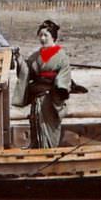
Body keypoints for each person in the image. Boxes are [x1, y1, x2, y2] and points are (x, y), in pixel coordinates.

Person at [14, 19, 72, 148]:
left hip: (52, 100)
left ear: (53, 37)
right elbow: (26, 71)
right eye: (40, 35)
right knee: (36, 127)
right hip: (37, 98)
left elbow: (64, 77)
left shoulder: (61, 56)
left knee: (50, 131)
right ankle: (38, 151)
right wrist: (18, 59)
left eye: (46, 35)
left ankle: (50, 152)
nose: (42, 38)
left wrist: (59, 88)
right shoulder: (36, 56)